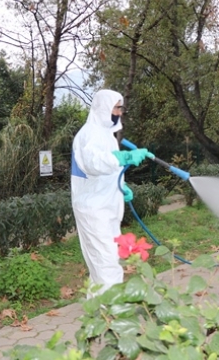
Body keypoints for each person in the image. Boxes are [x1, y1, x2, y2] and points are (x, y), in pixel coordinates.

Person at [70, 89, 152, 298]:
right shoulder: (88, 134)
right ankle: (111, 313)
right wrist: (123, 157)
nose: (119, 112)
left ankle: (97, 312)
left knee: (105, 262)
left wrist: (120, 188)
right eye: (116, 107)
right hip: (93, 209)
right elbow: (94, 162)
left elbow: (107, 172)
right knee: (106, 264)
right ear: (103, 108)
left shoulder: (107, 135)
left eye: (121, 108)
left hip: (106, 206)